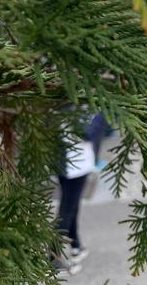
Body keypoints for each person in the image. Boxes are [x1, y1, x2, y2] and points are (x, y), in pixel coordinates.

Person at [53, 112, 107, 277]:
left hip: (67, 161)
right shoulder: (79, 106)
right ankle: (53, 259)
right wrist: (101, 114)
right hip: (76, 165)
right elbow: (88, 132)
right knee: (67, 209)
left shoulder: (64, 105)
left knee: (72, 206)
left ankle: (76, 245)